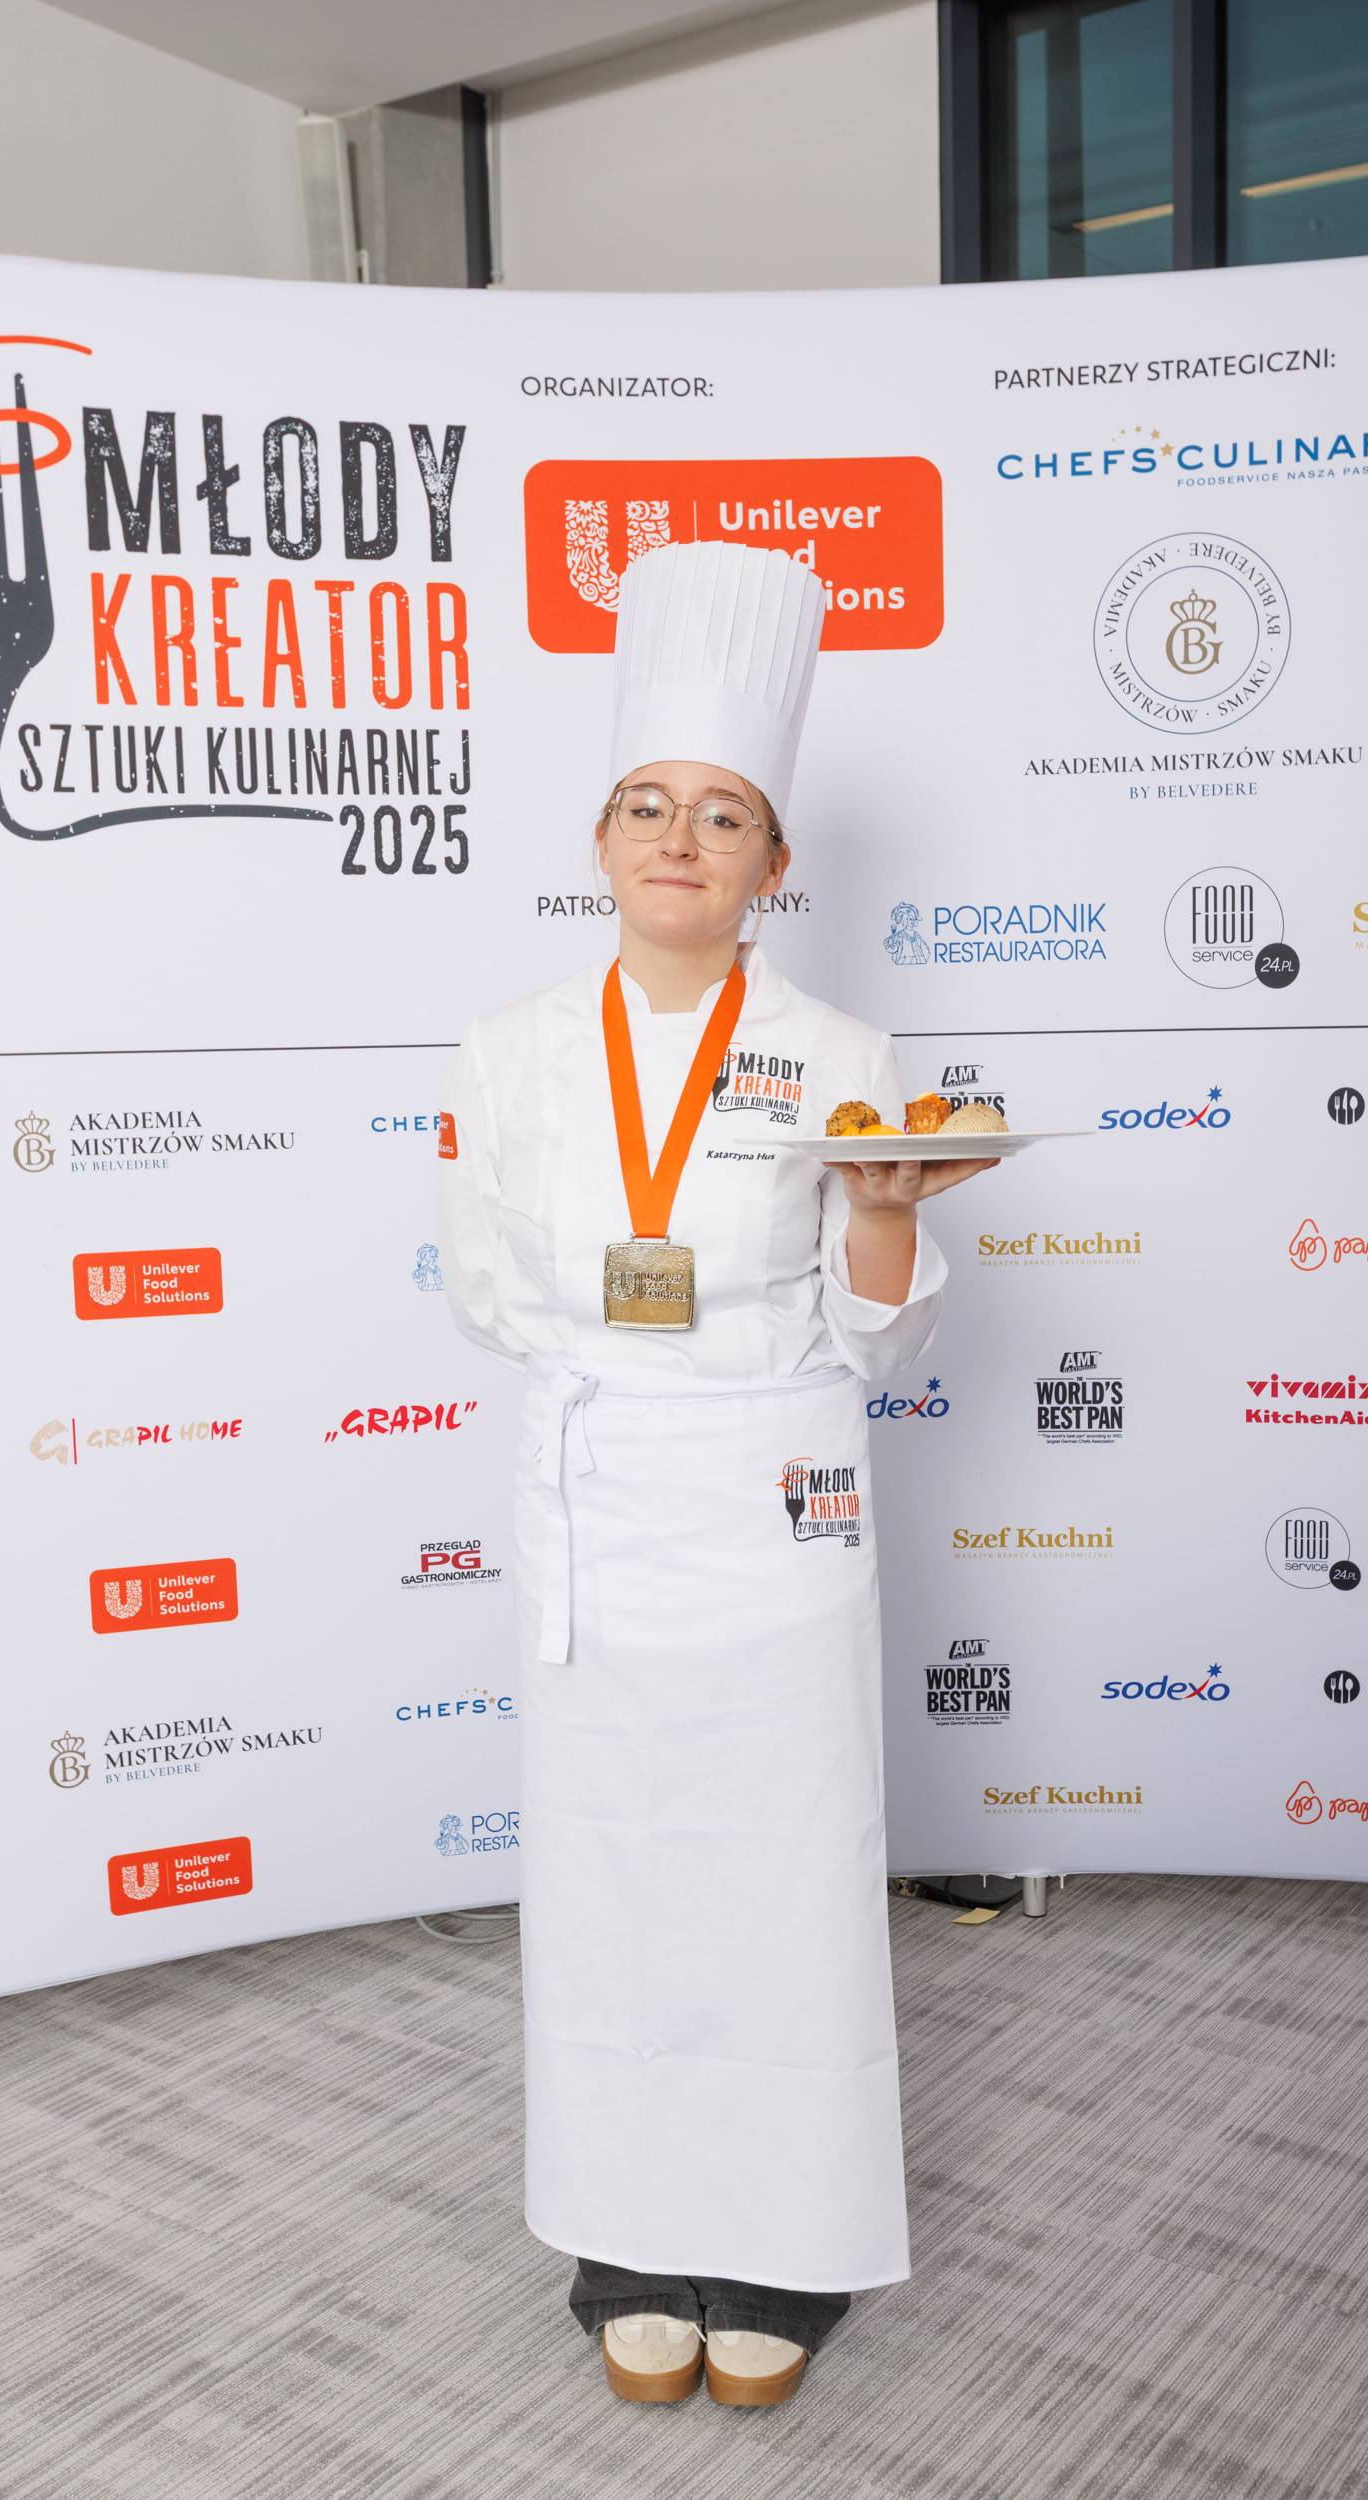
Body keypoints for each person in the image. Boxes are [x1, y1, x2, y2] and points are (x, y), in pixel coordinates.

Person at [438, 542, 996, 2411]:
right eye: (649, 805)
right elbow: (483, 1295)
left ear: (775, 861)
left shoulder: (844, 1056)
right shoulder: (509, 1054)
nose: (682, 839)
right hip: (598, 1514)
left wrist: (884, 1218)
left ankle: (779, 2242)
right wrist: (630, 1329)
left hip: (774, 1505)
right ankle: (626, 2233)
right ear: (600, 839)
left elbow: (876, 1341)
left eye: (724, 813)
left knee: (779, 1875)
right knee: (608, 1875)